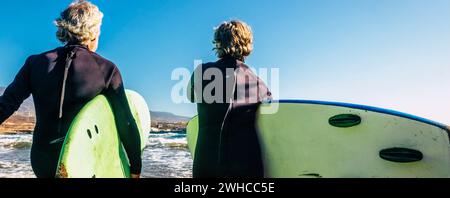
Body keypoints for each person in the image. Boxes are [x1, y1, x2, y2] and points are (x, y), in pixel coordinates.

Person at [0, 0, 142, 178]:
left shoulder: (35, 62)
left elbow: (6, 104)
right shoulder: (106, 69)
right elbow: (126, 122)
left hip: (42, 160)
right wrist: (136, 166)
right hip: (82, 161)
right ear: (93, 32)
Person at [188, 20, 272, 178]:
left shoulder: (202, 72)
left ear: (218, 43)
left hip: (205, 166)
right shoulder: (260, 85)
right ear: (247, 44)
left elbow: (190, 96)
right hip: (245, 168)